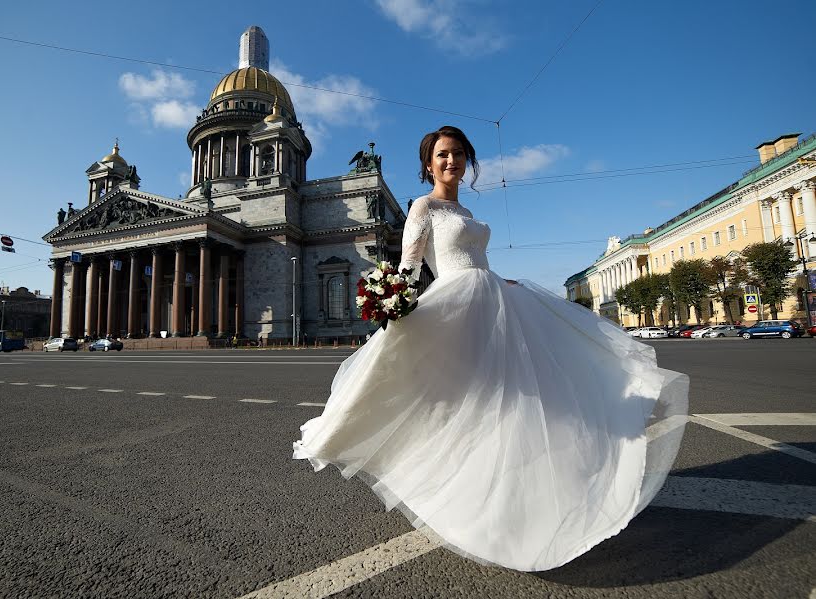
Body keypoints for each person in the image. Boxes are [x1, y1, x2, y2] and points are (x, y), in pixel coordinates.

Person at [292, 126, 689, 572]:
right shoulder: (423, 207)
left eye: (458, 154)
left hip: (495, 302)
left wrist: (506, 282)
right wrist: (391, 303)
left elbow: (478, 260)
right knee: (473, 403)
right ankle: (471, 500)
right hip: (454, 307)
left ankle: (521, 501)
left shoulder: (462, 209)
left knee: (515, 403)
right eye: (442, 155)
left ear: (467, 161)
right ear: (428, 164)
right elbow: (408, 265)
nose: (450, 161)